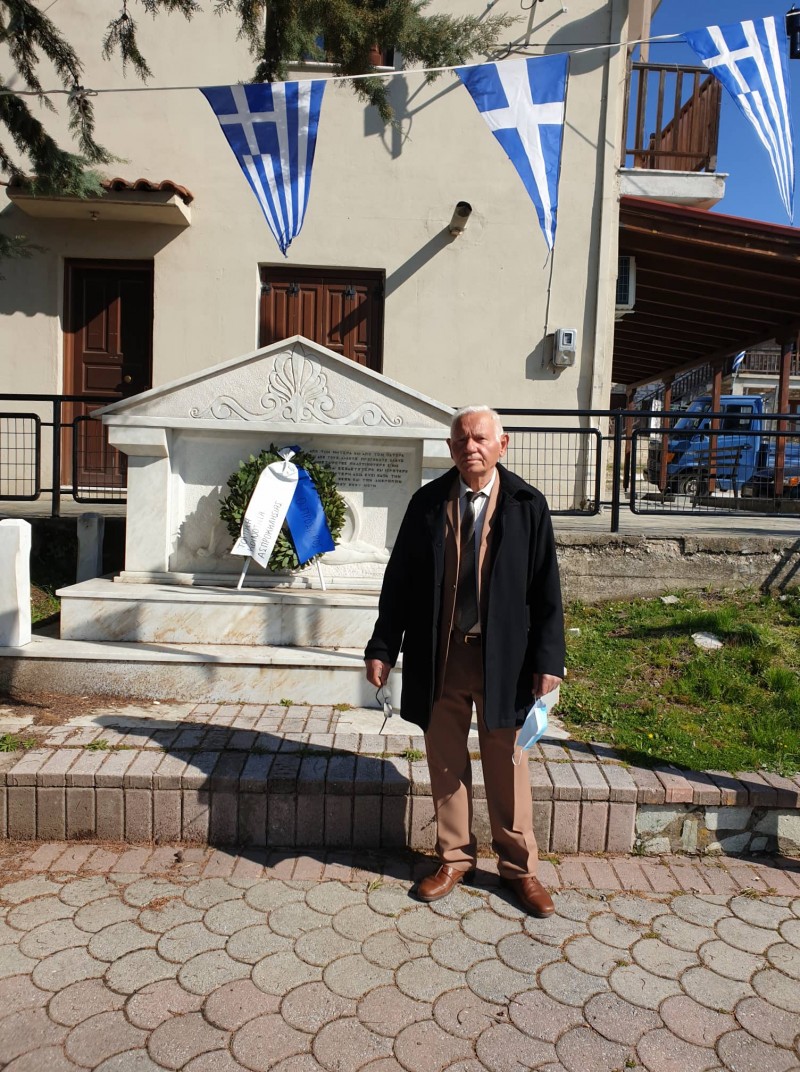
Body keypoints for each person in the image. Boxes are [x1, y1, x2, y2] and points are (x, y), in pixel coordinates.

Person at [364, 405, 565, 916]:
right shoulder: (428, 503)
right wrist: (383, 646)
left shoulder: (527, 505)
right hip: (443, 654)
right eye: (460, 440)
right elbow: (399, 582)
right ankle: (454, 858)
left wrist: (549, 659)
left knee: (508, 761)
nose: (469, 447)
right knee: (446, 759)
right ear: (450, 448)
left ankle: (519, 869)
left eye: (479, 438)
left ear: (502, 444)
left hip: (507, 660)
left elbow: (547, 590)